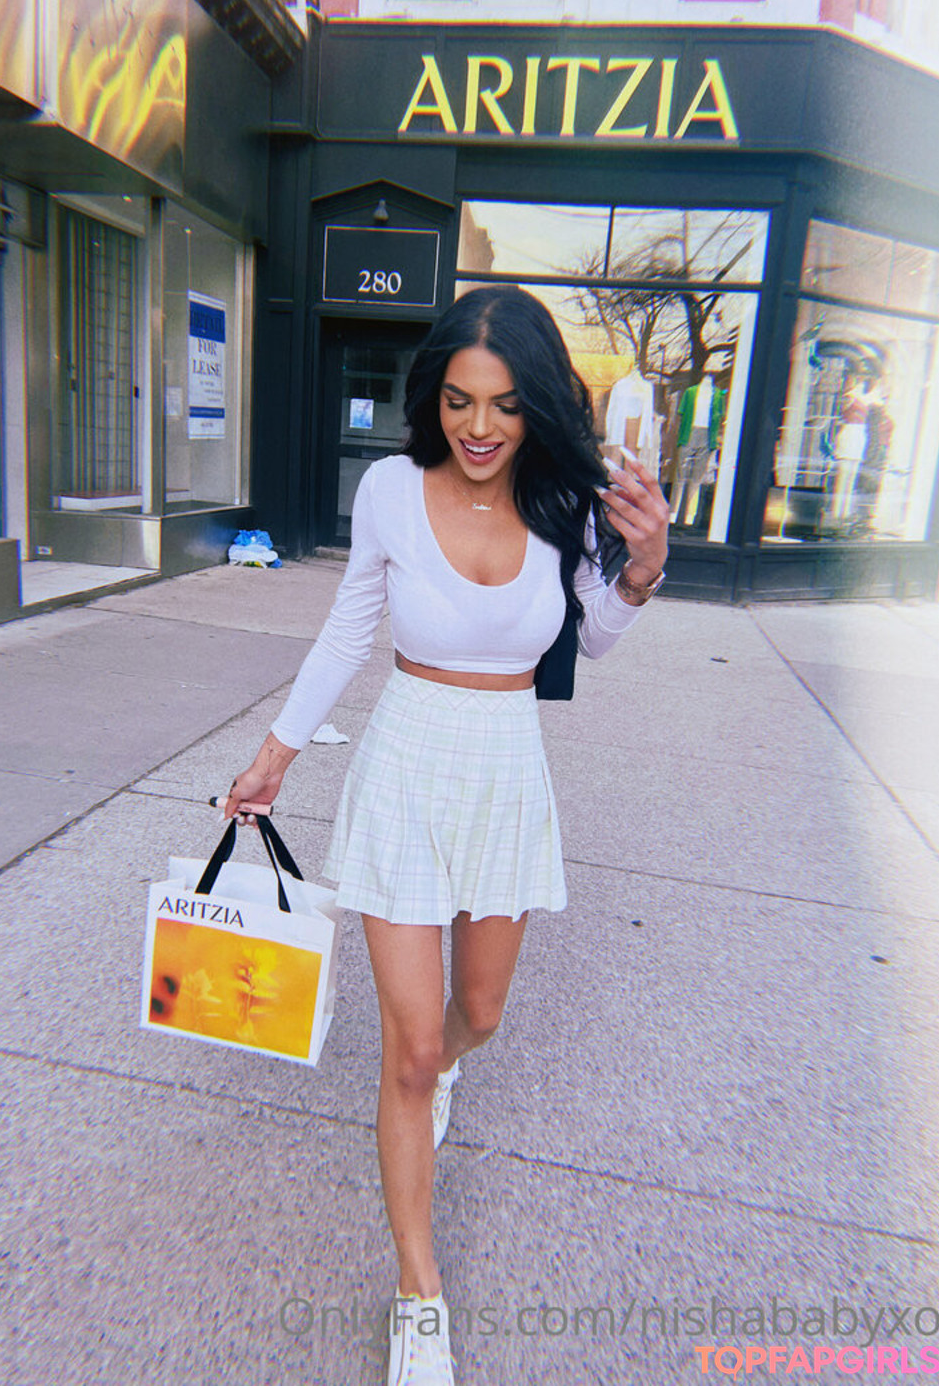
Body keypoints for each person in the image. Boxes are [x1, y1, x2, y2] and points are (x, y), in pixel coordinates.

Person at [222, 286, 669, 1386]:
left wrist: (644, 566)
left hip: (506, 770)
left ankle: (437, 1079)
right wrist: (275, 754)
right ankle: (420, 1297)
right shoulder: (389, 490)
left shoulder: (563, 499)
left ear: (537, 407)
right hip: (407, 765)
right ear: (434, 397)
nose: (480, 426)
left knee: (480, 1015)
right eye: (462, 401)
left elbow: (593, 637)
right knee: (412, 1049)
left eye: (506, 405)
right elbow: (348, 632)